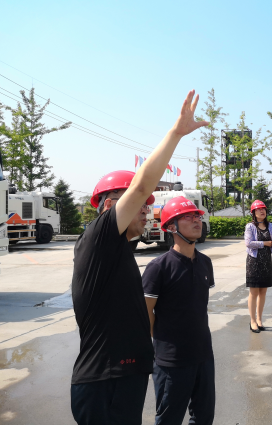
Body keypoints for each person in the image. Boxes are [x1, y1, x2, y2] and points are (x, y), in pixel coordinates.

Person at [70, 90, 208, 425]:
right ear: (109, 206)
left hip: (123, 378)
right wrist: (176, 133)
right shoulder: (98, 240)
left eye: (148, 205)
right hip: (105, 383)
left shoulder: (118, 251)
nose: (148, 209)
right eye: (141, 204)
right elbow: (143, 184)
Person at [142, 196, 216, 425]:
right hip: (171, 362)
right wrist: (166, 341)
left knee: (204, 417)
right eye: (188, 217)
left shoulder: (205, 262)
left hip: (203, 355)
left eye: (197, 216)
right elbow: (145, 314)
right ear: (172, 227)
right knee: (169, 419)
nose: (197, 221)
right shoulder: (158, 268)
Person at [244, 200, 272, 333]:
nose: (262, 211)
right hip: (253, 262)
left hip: (266, 262)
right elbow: (249, 243)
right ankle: (252, 321)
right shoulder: (250, 226)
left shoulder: (271, 226)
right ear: (253, 212)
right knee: (254, 292)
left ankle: (259, 319)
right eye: (258, 209)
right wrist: (265, 243)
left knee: (263, 292)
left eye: (263, 209)